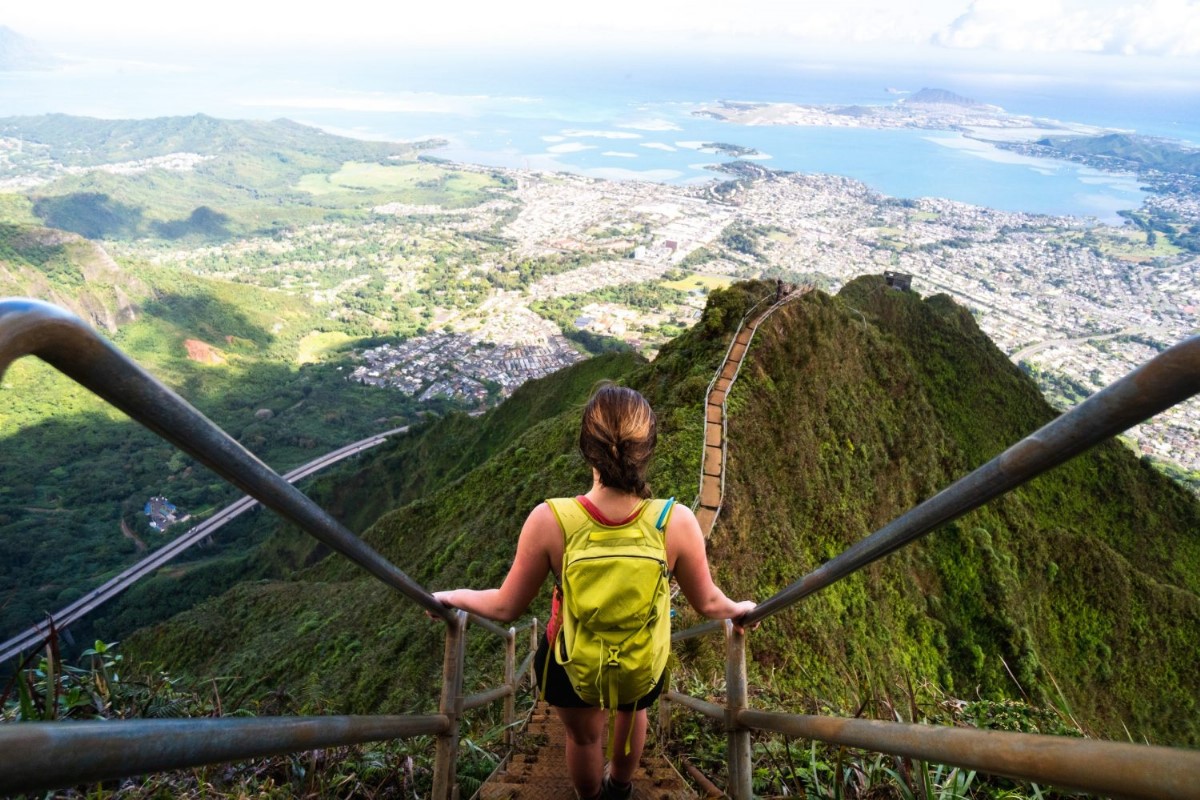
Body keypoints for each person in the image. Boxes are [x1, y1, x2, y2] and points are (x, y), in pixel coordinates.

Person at [433, 384, 756, 800]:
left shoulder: (550, 520)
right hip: (641, 658)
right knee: (633, 710)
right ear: (649, 448)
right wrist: (741, 609)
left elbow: (506, 605)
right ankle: (620, 788)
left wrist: (452, 596)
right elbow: (709, 601)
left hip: (572, 662)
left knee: (584, 740)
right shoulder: (674, 521)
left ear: (587, 448)